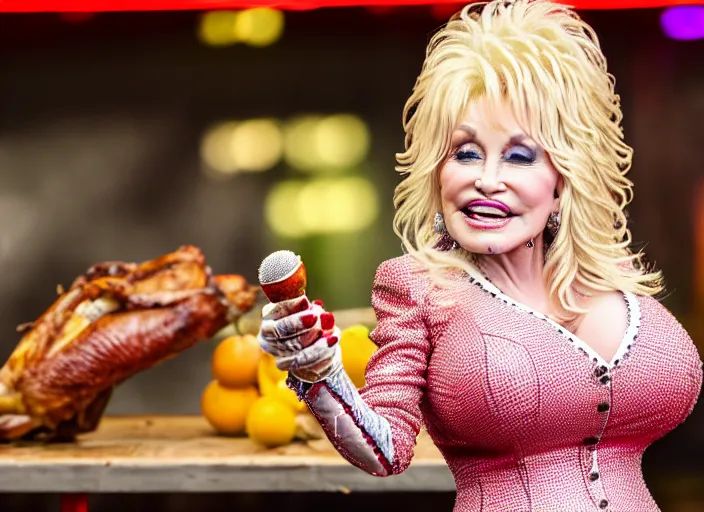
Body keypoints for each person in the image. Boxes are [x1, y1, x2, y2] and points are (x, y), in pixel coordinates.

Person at [257, 1, 703, 510]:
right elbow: (385, 452)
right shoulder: (416, 288)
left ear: (563, 180)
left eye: (518, 155)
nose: (486, 179)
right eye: (466, 152)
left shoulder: (611, 273)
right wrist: (319, 376)